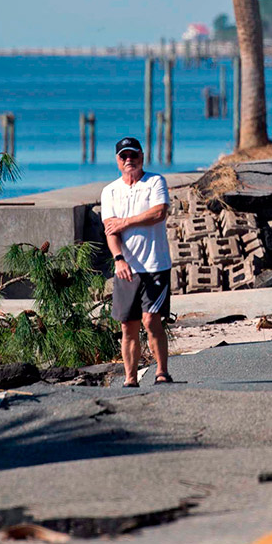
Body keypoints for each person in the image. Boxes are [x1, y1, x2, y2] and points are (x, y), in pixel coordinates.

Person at [100, 136, 173, 387]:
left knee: (151, 320)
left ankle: (162, 372)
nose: (129, 160)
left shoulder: (155, 182)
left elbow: (159, 212)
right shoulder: (109, 191)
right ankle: (130, 379)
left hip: (155, 265)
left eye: (134, 155)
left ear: (142, 156)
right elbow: (111, 231)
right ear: (117, 161)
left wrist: (126, 221)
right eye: (124, 156)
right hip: (126, 268)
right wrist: (118, 259)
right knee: (127, 326)